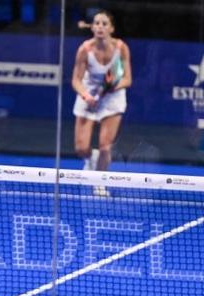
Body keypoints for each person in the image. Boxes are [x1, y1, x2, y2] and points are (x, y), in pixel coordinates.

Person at [71, 10, 132, 190]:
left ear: (111, 28)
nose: (100, 27)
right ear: (92, 28)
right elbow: (76, 79)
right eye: (97, 23)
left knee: (105, 146)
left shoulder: (121, 48)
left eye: (104, 24)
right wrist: (87, 96)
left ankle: (99, 184)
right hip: (89, 93)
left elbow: (127, 79)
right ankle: (92, 159)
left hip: (112, 96)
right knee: (81, 148)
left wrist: (111, 87)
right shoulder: (84, 50)